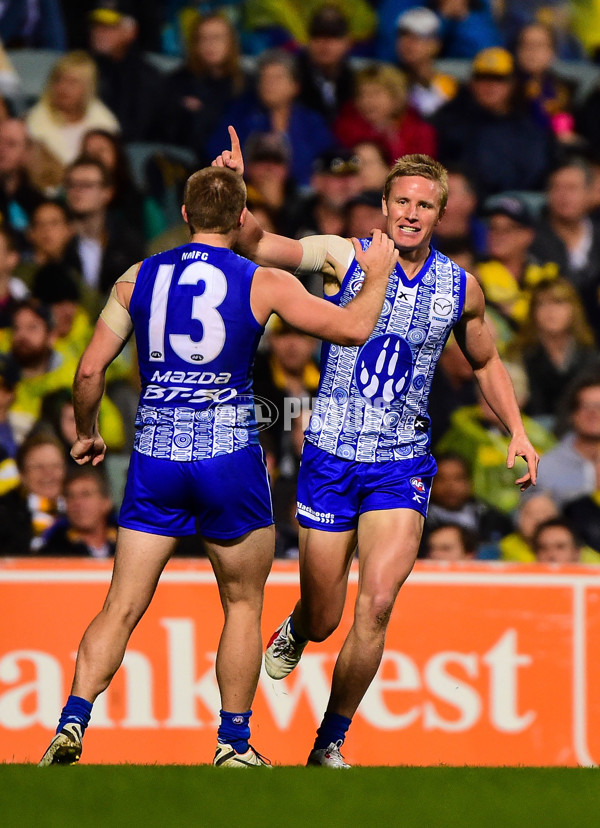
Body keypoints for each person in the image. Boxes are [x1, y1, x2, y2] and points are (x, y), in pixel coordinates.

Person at [38, 164, 398, 768]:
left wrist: (88, 433)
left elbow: (89, 371)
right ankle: (232, 744)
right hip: (228, 458)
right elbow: (354, 328)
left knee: (121, 605)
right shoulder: (261, 281)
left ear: (183, 215)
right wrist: (379, 278)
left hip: (155, 459)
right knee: (242, 604)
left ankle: (72, 721)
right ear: (239, 220)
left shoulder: (136, 279)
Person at [213, 127, 539, 767]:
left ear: (440, 214)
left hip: (400, 465)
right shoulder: (344, 256)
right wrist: (237, 198)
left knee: (379, 601)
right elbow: (259, 245)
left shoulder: (462, 289)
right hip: (330, 459)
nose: (412, 214)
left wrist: (519, 431)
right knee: (326, 612)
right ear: (384, 208)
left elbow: (487, 359)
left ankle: (329, 741)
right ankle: (301, 626)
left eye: (424, 205)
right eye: (402, 203)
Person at [25, 51, 120, 169]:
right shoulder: (33, 124)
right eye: (58, 80)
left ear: (87, 88)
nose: (63, 88)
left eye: (72, 82)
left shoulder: (105, 124)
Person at [38, 466, 117, 557]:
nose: (77, 503)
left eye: (86, 494)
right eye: (71, 496)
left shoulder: (127, 545)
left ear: (106, 502)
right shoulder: (51, 553)